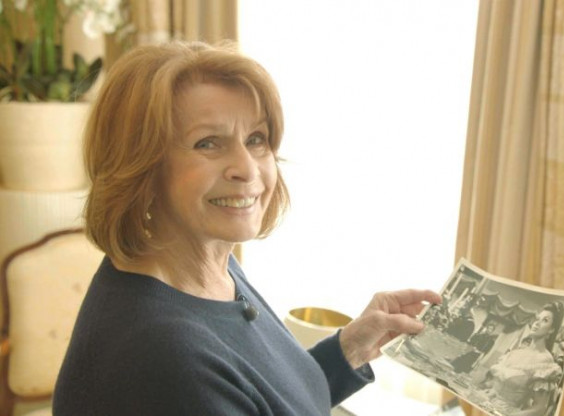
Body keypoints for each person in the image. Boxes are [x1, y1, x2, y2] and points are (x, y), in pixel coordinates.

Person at [52, 41, 441, 416]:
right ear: (140, 167)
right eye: (208, 143)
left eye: (256, 139)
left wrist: (349, 350)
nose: (247, 168)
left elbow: (261, 398)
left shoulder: (211, 267)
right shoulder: (165, 353)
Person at [478, 301, 564, 416]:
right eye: (538, 318)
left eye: (545, 320)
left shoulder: (546, 363)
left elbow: (539, 409)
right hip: (484, 406)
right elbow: (496, 385)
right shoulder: (515, 353)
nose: (537, 323)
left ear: (551, 329)